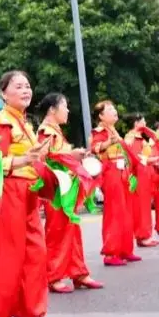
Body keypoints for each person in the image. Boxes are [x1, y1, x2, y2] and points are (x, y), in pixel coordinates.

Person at [0, 70, 59, 317]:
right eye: (18, 86)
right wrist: (20, 162)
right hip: (10, 189)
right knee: (9, 256)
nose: (26, 90)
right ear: (4, 93)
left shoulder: (25, 124)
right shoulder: (2, 123)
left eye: (28, 85)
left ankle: (31, 314)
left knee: (35, 254)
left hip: (29, 191)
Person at [37, 92, 104, 293]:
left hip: (67, 188)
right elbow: (42, 158)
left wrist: (75, 155)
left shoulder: (56, 132)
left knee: (72, 230)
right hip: (57, 189)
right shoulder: (45, 132)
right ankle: (53, 276)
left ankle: (79, 272)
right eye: (64, 106)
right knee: (56, 232)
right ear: (52, 109)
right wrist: (70, 155)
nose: (67, 110)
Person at [89, 101, 139, 266]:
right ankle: (111, 253)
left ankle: (125, 249)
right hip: (110, 172)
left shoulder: (114, 130)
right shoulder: (99, 132)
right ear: (101, 116)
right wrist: (108, 142)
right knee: (114, 213)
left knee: (126, 212)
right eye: (109, 110)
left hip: (122, 172)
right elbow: (95, 148)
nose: (114, 111)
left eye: (114, 109)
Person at [124, 115, 159, 249]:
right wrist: (152, 159)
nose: (145, 123)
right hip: (138, 175)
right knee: (141, 207)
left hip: (144, 174)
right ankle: (143, 236)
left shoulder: (139, 138)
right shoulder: (132, 137)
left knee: (145, 206)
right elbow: (136, 158)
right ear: (136, 123)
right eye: (143, 121)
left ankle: (145, 235)